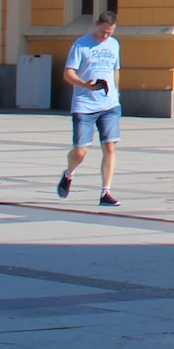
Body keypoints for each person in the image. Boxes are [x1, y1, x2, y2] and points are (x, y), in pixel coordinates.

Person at [56, 14, 121, 207]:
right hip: (85, 105)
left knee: (109, 146)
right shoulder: (81, 45)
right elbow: (68, 73)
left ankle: (105, 192)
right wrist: (85, 84)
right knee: (81, 150)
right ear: (96, 25)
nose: (105, 36)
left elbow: (115, 70)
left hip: (109, 105)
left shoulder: (114, 44)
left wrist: (116, 94)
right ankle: (68, 174)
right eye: (102, 31)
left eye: (110, 32)